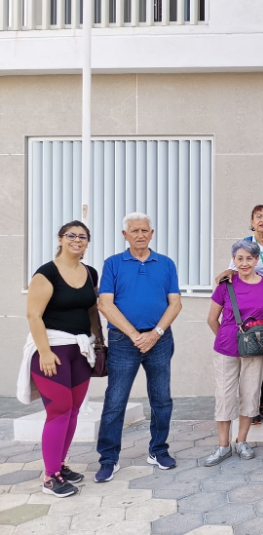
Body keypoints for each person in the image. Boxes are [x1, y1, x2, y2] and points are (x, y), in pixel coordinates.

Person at [95, 212, 183, 482]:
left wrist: (155, 333)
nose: (140, 234)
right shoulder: (112, 264)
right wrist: (135, 335)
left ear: (152, 233)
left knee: (161, 400)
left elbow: (175, 303)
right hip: (123, 342)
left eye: (145, 230)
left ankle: (158, 450)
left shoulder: (166, 264)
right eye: (134, 230)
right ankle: (109, 458)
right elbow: (105, 304)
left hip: (159, 340)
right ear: (125, 235)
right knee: (115, 401)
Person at [19, 221, 100, 497]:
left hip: (80, 349)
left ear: (87, 242)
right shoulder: (46, 273)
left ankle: (60, 464)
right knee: (59, 410)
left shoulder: (90, 273)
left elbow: (91, 311)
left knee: (74, 409)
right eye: (71, 236)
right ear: (61, 239)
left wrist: (98, 341)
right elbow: (33, 315)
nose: (77, 240)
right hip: (52, 348)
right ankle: (50, 478)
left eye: (83, 237)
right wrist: (44, 352)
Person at [215, 205, 263, 425]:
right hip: (252, 306)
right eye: (258, 216)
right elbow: (233, 270)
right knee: (249, 353)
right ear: (252, 221)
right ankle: (248, 407)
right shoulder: (245, 245)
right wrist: (226, 271)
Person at [204, 239, 263, 467]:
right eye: (239, 258)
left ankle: (242, 441)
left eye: (249, 258)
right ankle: (223, 446)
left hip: (256, 348)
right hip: (226, 350)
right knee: (224, 395)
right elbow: (212, 319)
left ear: (256, 260)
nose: (244, 263)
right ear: (233, 260)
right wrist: (225, 337)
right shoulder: (226, 285)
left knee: (251, 393)